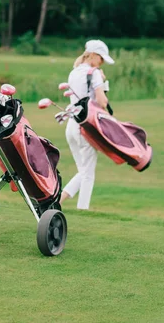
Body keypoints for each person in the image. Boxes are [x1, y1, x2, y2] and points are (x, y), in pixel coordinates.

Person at [59, 40, 115, 210]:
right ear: (92, 55)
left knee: (83, 172)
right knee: (88, 174)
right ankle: (83, 210)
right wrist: (104, 83)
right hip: (86, 128)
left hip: (71, 126)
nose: (102, 62)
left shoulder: (74, 72)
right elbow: (101, 101)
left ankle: (56, 202)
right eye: (101, 58)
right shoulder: (94, 73)